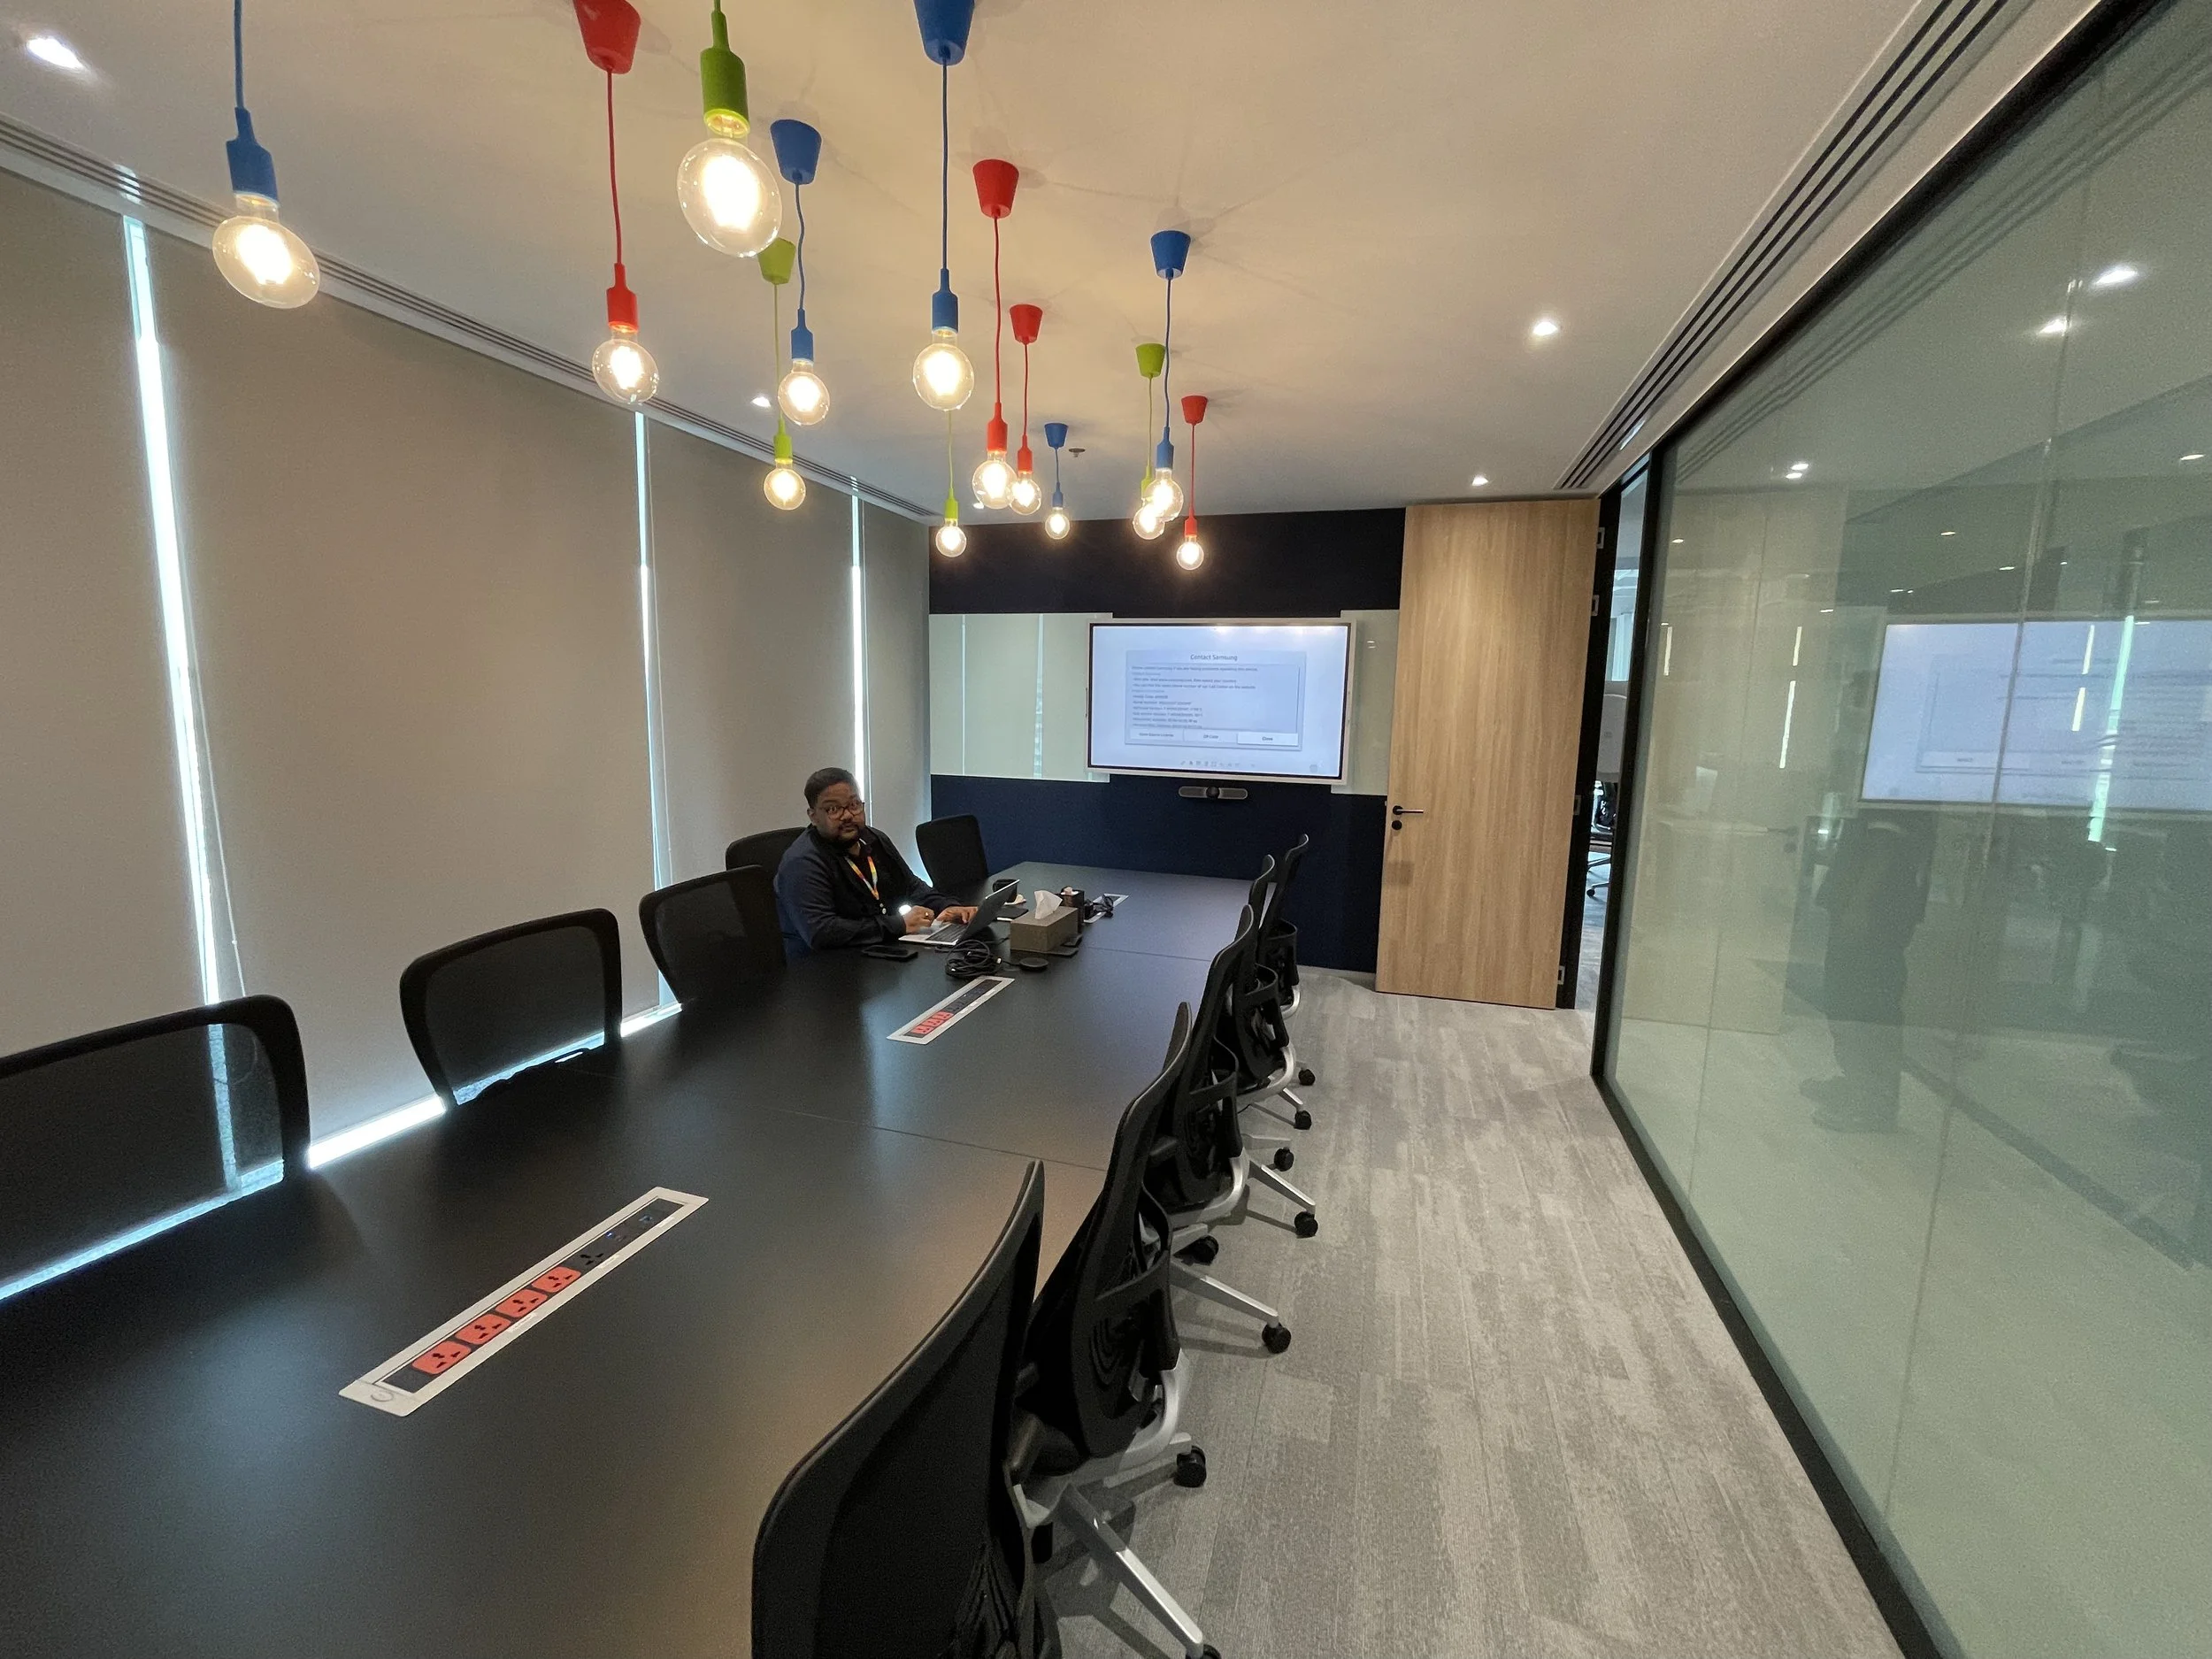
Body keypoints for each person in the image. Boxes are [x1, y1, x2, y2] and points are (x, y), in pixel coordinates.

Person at [773, 767, 976, 958]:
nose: (847, 816)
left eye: (853, 805)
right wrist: (899, 925)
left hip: (878, 952)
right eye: (833, 809)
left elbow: (911, 886)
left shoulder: (873, 839)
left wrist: (947, 906)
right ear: (813, 816)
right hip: (824, 970)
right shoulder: (803, 863)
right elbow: (821, 932)